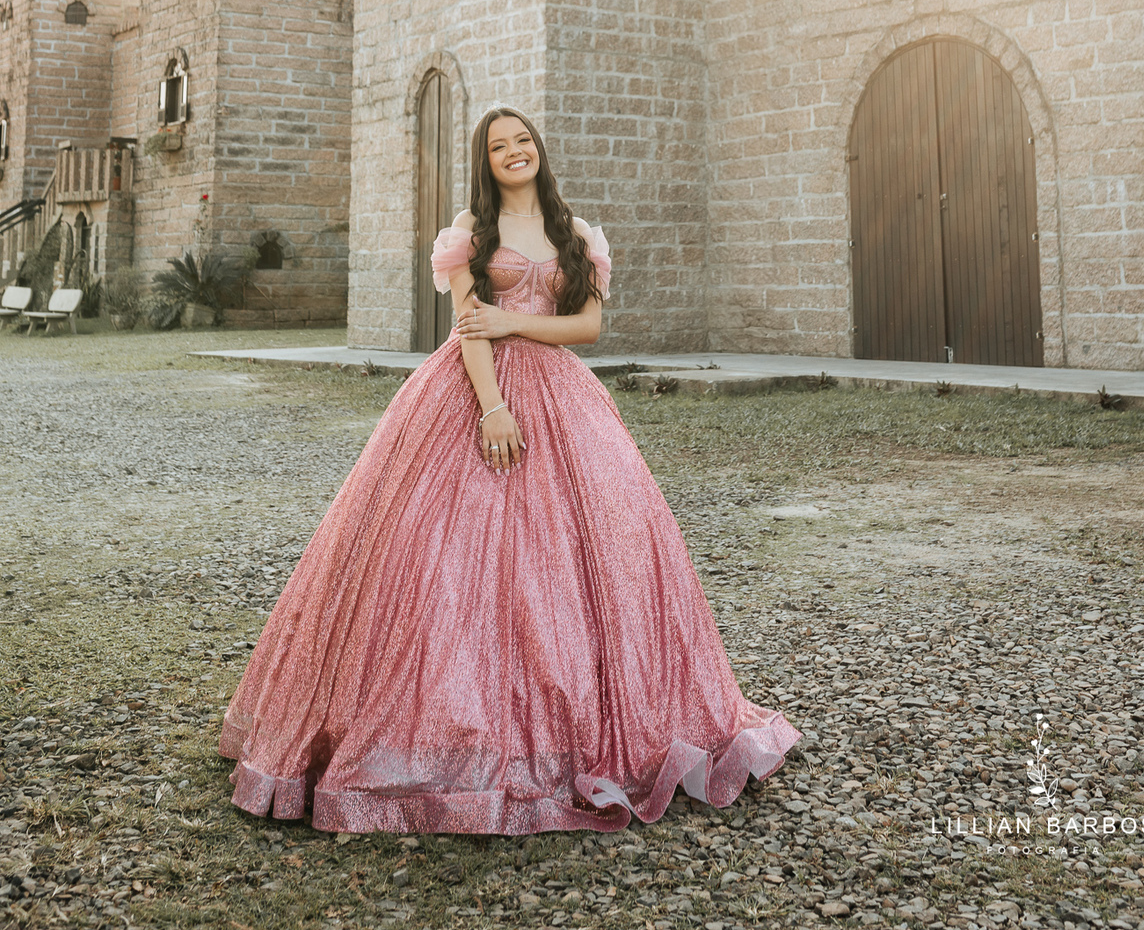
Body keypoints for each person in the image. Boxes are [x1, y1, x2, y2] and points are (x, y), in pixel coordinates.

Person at [219, 107, 797, 833]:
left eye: (523, 141)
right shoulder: (472, 230)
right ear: (486, 161)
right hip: (473, 390)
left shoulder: (574, 234)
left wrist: (514, 321)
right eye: (499, 146)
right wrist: (492, 407)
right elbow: (470, 328)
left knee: (595, 546)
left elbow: (587, 327)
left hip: (562, 397)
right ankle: (434, 730)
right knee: (430, 550)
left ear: (538, 150)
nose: (514, 152)